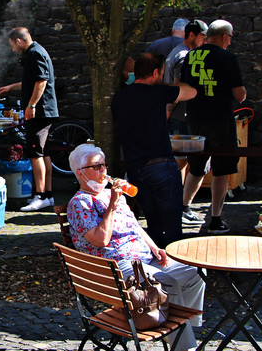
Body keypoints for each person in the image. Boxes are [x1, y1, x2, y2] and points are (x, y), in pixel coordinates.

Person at [65, 143, 204, 350]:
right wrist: (112, 204)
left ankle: (178, 330)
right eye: (96, 167)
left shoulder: (111, 193)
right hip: (116, 268)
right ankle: (185, 346)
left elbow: (134, 225)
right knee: (168, 283)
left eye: (104, 165)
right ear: (80, 173)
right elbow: (100, 240)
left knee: (194, 274)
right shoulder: (80, 203)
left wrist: (155, 247)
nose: (103, 170)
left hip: (143, 260)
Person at [111, 53, 196, 246]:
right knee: (172, 222)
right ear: (156, 72)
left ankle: (157, 264)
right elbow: (191, 92)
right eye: (162, 73)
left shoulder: (119, 97)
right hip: (160, 164)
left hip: (134, 168)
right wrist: (167, 86)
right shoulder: (158, 92)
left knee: (153, 222)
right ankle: (175, 266)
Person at [181, 19, 246, 234]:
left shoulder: (192, 55)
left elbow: (185, 86)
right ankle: (216, 219)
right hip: (220, 120)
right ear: (224, 36)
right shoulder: (227, 57)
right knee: (221, 170)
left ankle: (183, 208)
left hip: (195, 118)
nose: (230, 42)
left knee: (196, 165)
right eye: (230, 37)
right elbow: (240, 94)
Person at [0, 27, 60, 211]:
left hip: (39, 112)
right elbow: (32, 81)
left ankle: (40, 196)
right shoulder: (37, 51)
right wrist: (11, 87)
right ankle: (47, 195)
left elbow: (42, 81)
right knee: (44, 153)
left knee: (35, 154)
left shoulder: (34, 54)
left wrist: (31, 106)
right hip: (45, 111)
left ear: (19, 41)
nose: (13, 50)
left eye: (12, 46)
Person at [164, 20, 210, 223]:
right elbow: (176, 88)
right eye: (202, 37)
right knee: (183, 162)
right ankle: (180, 207)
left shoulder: (177, 52)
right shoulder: (184, 56)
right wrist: (166, 113)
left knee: (181, 162)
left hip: (178, 116)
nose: (205, 41)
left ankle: (178, 207)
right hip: (181, 116)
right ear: (192, 35)